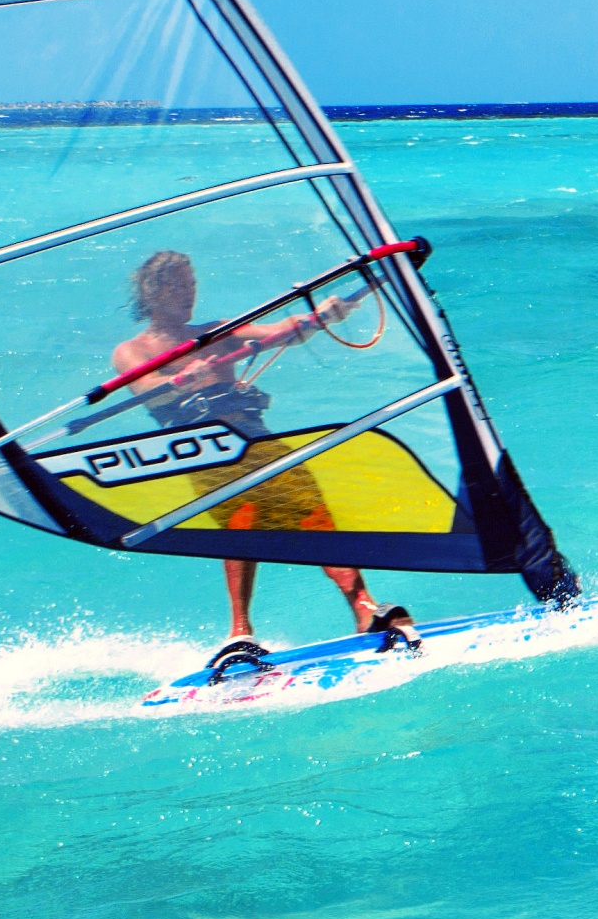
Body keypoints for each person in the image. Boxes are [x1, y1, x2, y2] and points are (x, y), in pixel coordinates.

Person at [112, 249, 415, 646]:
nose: (190, 293)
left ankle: (363, 607)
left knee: (314, 511)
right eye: (179, 286)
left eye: (192, 284)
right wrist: (180, 379)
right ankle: (240, 631)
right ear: (154, 292)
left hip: (255, 438)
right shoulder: (133, 351)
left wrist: (322, 316)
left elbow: (282, 331)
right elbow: (145, 388)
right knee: (242, 521)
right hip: (205, 448)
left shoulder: (216, 332)